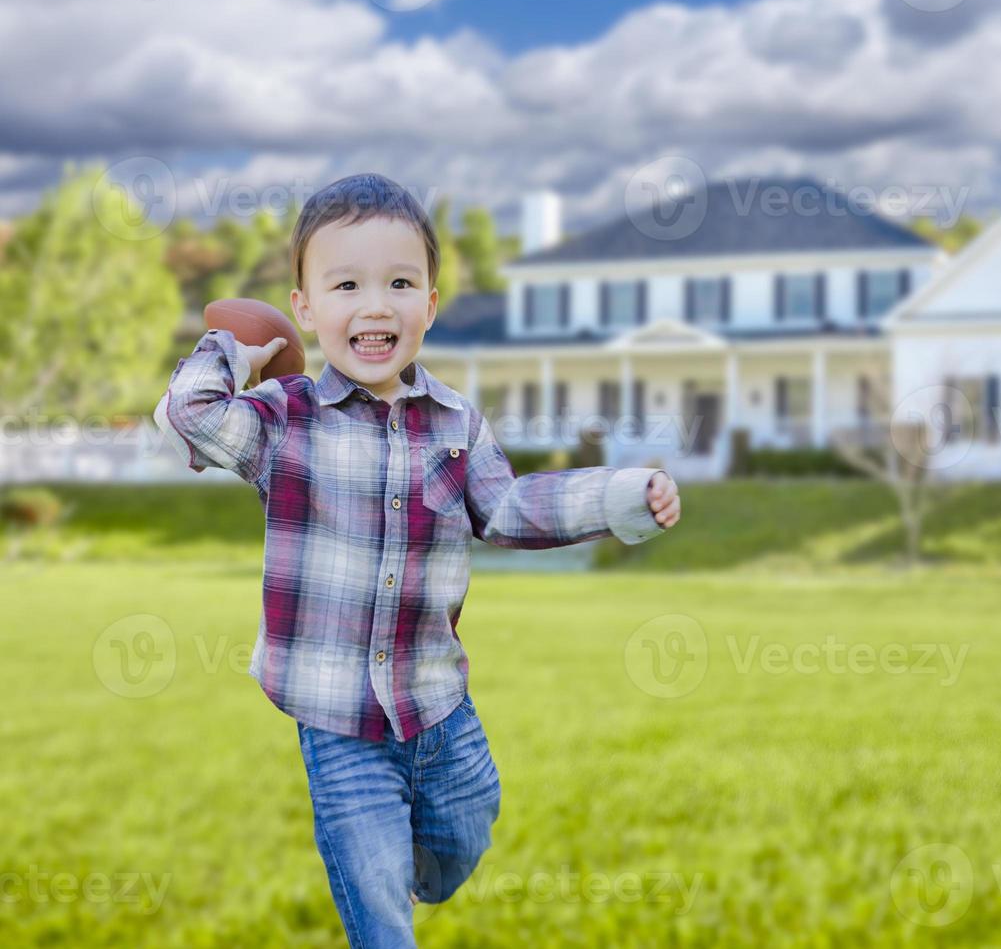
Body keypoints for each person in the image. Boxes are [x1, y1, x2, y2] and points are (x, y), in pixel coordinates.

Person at [153, 173, 681, 947]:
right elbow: (192, 417)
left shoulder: (456, 423)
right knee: (379, 913)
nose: (375, 305)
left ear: (430, 304)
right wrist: (232, 349)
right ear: (306, 308)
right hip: (337, 723)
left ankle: (427, 865)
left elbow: (507, 509)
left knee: (464, 837)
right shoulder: (282, 420)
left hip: (438, 708)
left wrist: (622, 495)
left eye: (400, 283)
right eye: (346, 285)